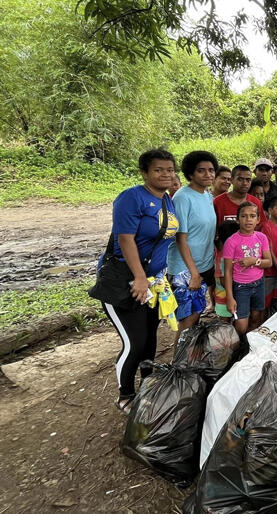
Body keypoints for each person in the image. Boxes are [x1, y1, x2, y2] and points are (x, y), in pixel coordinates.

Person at [99, 149, 179, 414]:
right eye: (159, 170)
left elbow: (163, 242)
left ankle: (148, 384)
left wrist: (159, 277)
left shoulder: (168, 200)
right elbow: (125, 240)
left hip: (153, 282)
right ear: (145, 172)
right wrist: (140, 278)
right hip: (126, 281)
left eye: (169, 169)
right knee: (134, 341)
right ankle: (125, 394)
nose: (165, 174)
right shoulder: (131, 198)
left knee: (150, 338)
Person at [167, 151, 218, 343]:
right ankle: (177, 364)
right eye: (201, 171)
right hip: (185, 269)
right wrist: (194, 273)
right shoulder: (182, 197)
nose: (208, 175)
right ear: (191, 173)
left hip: (203, 264)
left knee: (196, 313)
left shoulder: (206, 195)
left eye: (211, 170)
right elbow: (181, 238)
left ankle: (189, 360)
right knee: (189, 319)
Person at [212, 165, 264, 316]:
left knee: (248, 304)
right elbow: (214, 231)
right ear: (232, 180)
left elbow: (259, 230)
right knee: (227, 304)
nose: (245, 183)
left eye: (248, 180)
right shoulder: (218, 202)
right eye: (240, 179)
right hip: (225, 260)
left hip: (249, 263)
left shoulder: (255, 202)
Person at [223, 201, 272, 334]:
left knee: (256, 317)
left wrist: (254, 261)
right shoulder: (231, 241)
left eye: (252, 216)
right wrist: (230, 297)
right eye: (244, 216)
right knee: (241, 325)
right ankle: (239, 347)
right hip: (241, 287)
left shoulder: (262, 238)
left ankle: (250, 346)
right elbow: (227, 271)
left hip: (259, 283)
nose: (248, 219)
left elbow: (269, 262)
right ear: (238, 219)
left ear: (258, 219)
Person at [213, 220, 240, 319]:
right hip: (225, 300)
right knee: (225, 326)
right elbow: (223, 280)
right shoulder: (224, 258)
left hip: (221, 296)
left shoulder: (220, 250)